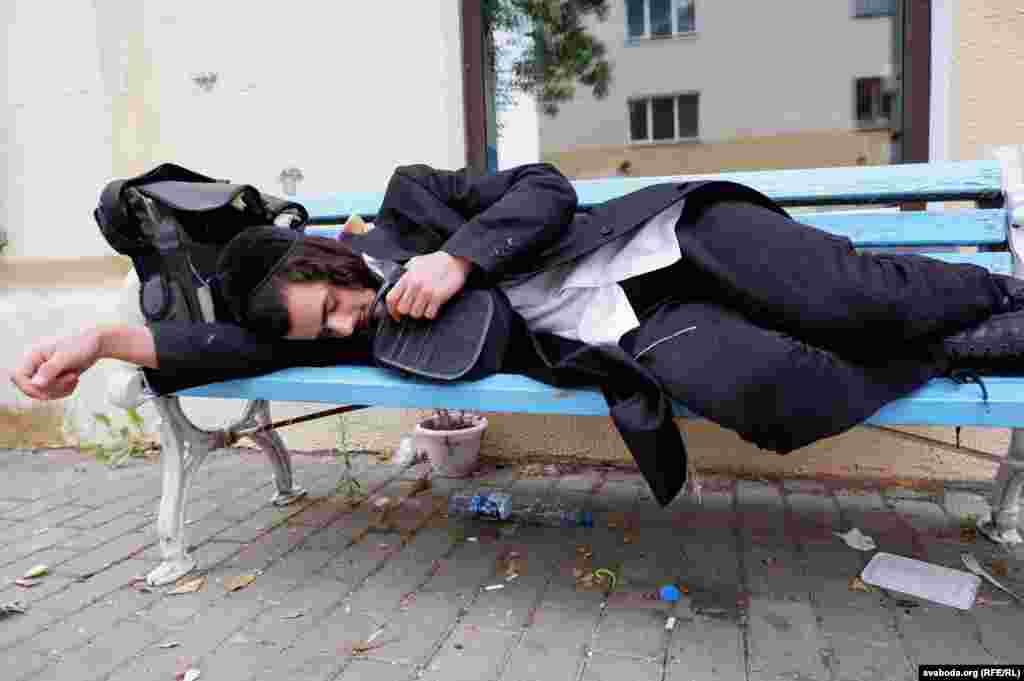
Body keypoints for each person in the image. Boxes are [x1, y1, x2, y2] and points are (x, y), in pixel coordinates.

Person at [10, 162, 1024, 505]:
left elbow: (547, 191)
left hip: (683, 241)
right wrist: (100, 342)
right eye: (332, 331)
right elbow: (236, 351)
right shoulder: (344, 333)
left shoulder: (412, 203)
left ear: (325, 265)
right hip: (646, 327)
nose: (350, 326)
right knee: (772, 398)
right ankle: (959, 350)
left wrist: (460, 257)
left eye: (337, 307)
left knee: (852, 300)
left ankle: (995, 296)